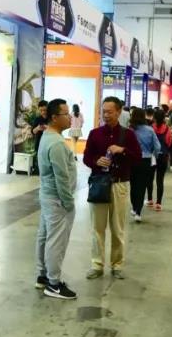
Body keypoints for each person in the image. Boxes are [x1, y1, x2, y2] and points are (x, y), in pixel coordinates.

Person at [83, 96, 142, 279]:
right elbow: (86, 157)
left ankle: (117, 265)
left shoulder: (128, 135)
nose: (106, 115)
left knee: (118, 228)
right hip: (99, 184)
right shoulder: (95, 134)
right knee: (97, 227)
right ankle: (97, 264)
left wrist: (122, 150)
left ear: (118, 112)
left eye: (109, 112)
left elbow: (138, 158)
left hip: (119, 185)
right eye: (104, 111)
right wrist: (96, 161)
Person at [35, 99, 78, 300]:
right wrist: (68, 202)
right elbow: (62, 176)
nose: (69, 117)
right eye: (65, 114)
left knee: (45, 236)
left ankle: (43, 275)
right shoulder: (57, 143)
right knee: (56, 241)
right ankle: (53, 284)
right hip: (57, 200)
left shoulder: (48, 136)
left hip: (48, 195)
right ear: (54, 118)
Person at [128, 108, 160, 223]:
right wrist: (153, 154)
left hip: (132, 160)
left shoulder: (130, 130)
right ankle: (138, 212)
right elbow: (157, 147)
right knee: (142, 186)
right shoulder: (150, 130)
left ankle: (134, 206)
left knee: (133, 185)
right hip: (146, 160)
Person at [149, 109, 172, 210]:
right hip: (163, 156)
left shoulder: (151, 128)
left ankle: (150, 199)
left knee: (150, 178)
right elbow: (169, 142)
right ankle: (158, 203)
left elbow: (148, 142)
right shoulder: (167, 129)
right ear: (164, 118)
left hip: (152, 157)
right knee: (160, 180)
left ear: (154, 117)